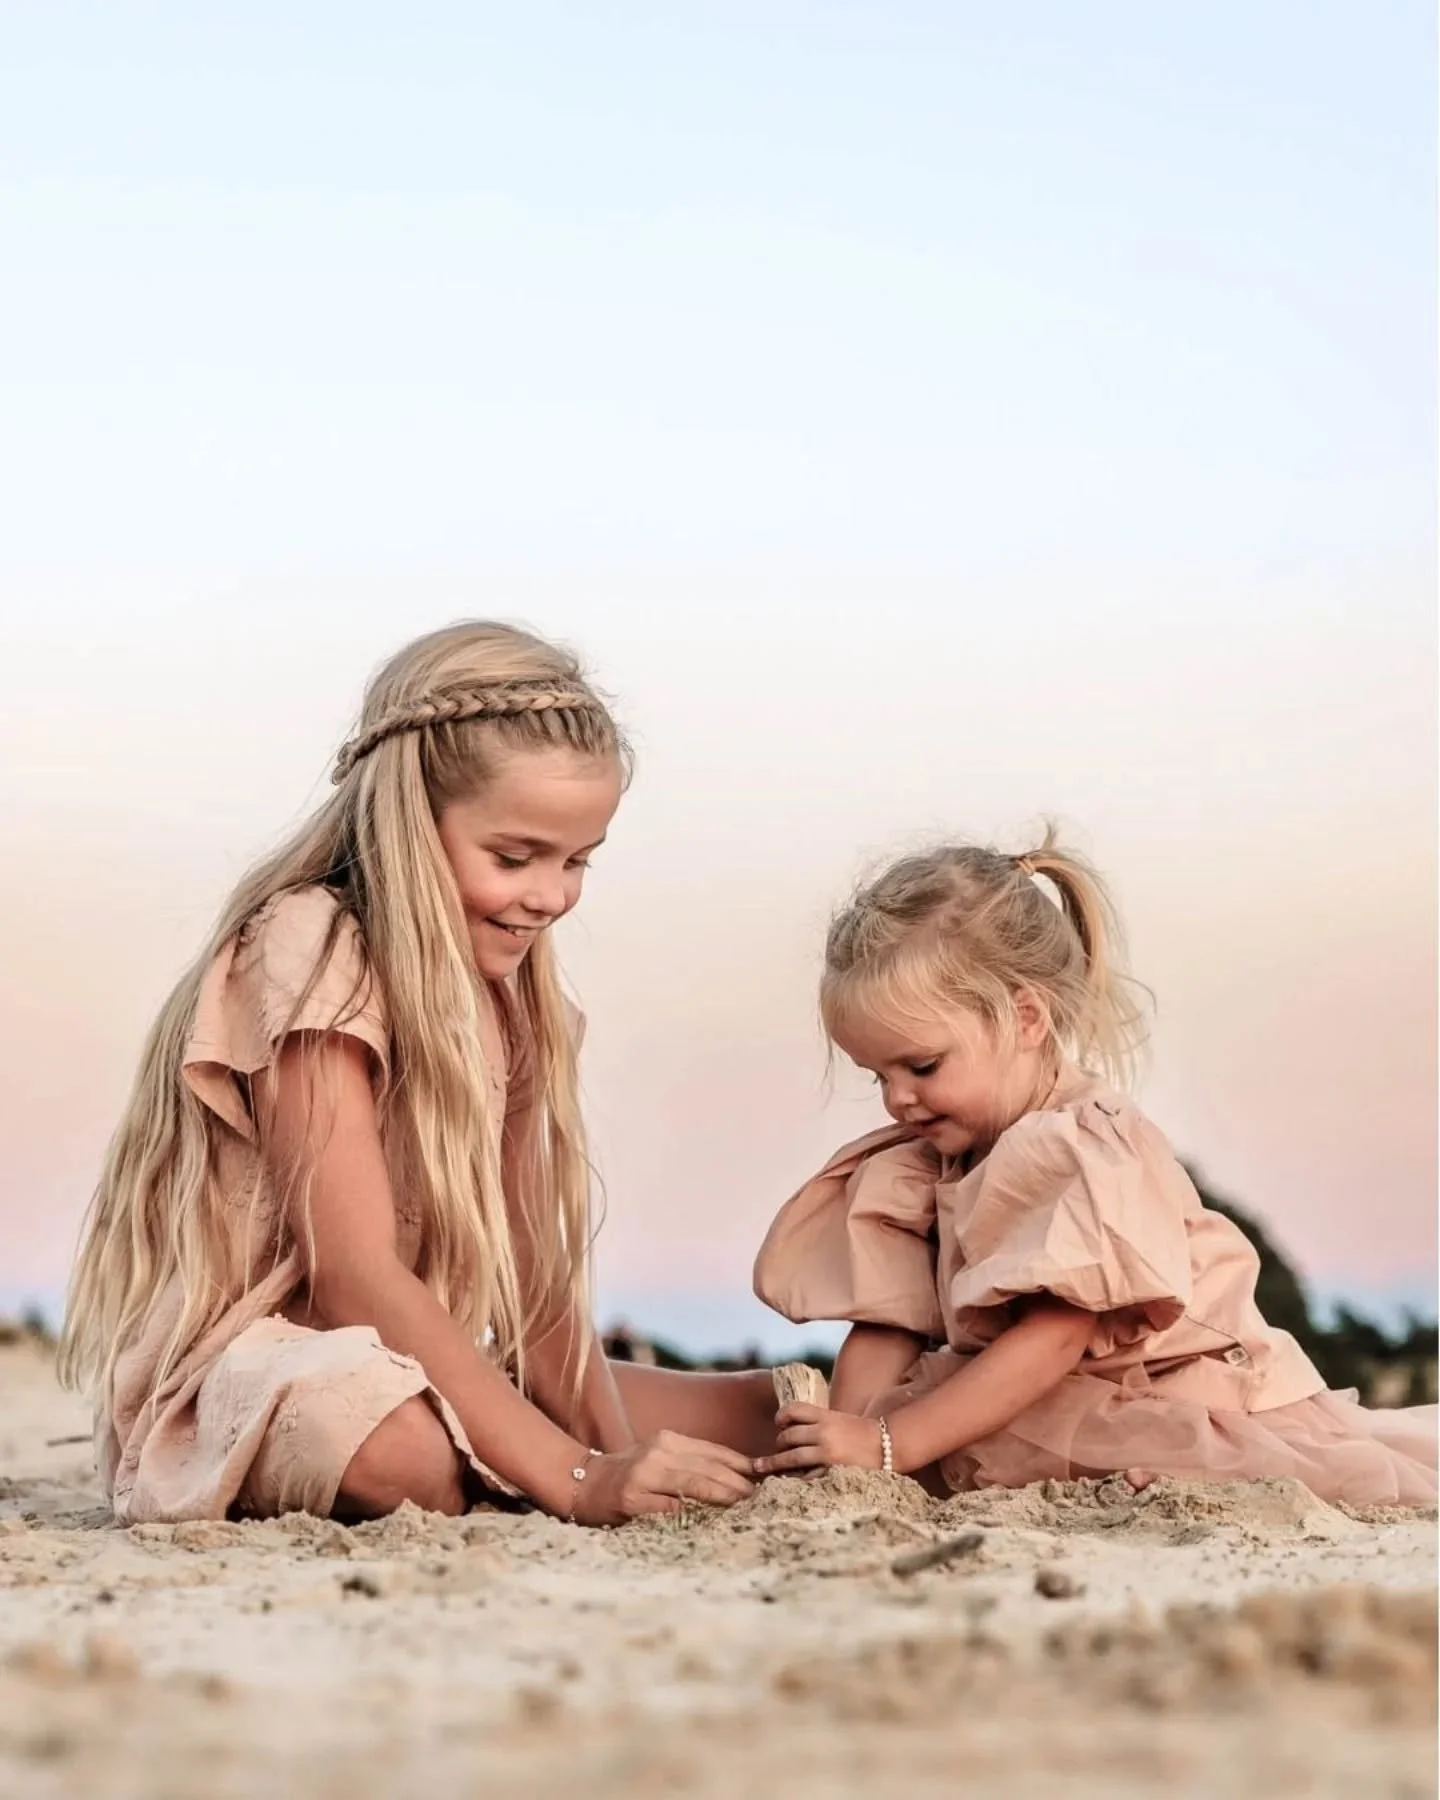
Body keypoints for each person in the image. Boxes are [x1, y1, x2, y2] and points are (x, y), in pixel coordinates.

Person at [60, 621, 781, 1527]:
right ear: (409, 821)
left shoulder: (515, 1003)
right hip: (270, 1372)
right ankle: (492, 1463)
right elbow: (352, 1275)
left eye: (578, 861)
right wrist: (578, 1480)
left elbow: (536, 1278)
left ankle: (499, 1455)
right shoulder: (311, 947)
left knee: (770, 1414)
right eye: (514, 858)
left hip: (417, 1363)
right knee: (399, 1448)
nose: (551, 896)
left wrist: (611, 1455)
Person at [752, 834, 1437, 1505]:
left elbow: (1054, 1338)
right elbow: (888, 1324)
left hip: (1185, 1394)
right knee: (933, 1415)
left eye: (922, 1066)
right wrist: (850, 1440)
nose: (898, 1099)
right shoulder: (922, 1164)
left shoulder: (1076, 1146)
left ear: (1026, 1018)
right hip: (1063, 1393)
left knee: (964, 1430)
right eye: (878, 1076)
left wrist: (889, 1442)